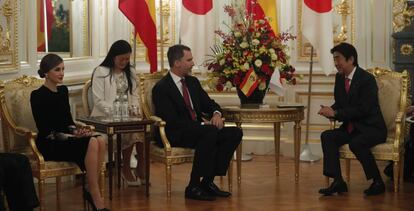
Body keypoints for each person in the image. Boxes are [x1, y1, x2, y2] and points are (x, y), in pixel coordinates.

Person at [152, 44, 243, 201]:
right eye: (189, 60)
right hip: (175, 132)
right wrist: (202, 125)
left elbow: (211, 104)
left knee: (234, 132)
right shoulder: (162, 88)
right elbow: (173, 122)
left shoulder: (192, 82)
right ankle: (193, 186)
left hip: (200, 131)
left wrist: (215, 114)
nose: (193, 63)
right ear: (177, 63)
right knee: (210, 132)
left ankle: (207, 182)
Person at [30, 54, 109, 211]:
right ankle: (94, 194)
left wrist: (77, 131)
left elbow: (68, 122)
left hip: (67, 139)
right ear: (46, 72)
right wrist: (71, 136)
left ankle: (90, 188)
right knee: (92, 142)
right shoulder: (37, 96)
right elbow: (46, 130)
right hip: (50, 143)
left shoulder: (63, 91)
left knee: (99, 139)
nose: (62, 73)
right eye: (57, 70)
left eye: (63, 69)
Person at [317, 42, 387, 196]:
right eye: (334, 59)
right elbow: (342, 103)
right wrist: (331, 110)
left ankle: (377, 181)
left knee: (357, 143)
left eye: (338, 59)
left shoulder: (367, 79)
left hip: (371, 128)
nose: (336, 63)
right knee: (327, 137)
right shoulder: (339, 78)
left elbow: (364, 109)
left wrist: (337, 114)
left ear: (351, 59)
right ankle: (338, 181)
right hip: (352, 127)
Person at [90, 40, 144, 186]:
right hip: (104, 118)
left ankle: (138, 168)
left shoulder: (130, 72)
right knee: (129, 130)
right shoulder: (101, 72)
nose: (124, 62)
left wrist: (133, 109)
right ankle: (125, 169)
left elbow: (134, 95)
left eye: (127, 59)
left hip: (126, 117)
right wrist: (117, 113)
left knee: (140, 130)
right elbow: (98, 101)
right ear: (113, 56)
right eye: (121, 59)